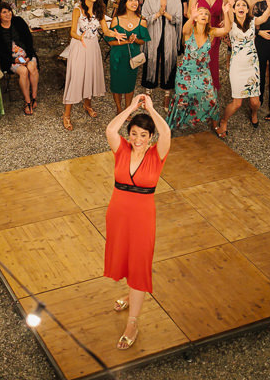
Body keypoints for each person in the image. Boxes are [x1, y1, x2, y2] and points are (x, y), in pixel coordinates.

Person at [103, 94, 170, 351]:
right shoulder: (121, 149)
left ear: (150, 138)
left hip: (142, 218)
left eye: (143, 135)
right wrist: (131, 107)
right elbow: (110, 129)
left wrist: (151, 109)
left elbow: (166, 133)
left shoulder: (157, 154)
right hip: (118, 215)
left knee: (140, 265)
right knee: (125, 259)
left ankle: (133, 323)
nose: (138, 139)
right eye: (134, 134)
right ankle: (131, 295)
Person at [62, 0, 127, 130]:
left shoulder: (99, 10)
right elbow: (72, 32)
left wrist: (114, 33)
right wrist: (80, 38)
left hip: (93, 47)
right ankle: (66, 115)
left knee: (89, 75)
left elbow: (105, 30)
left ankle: (87, 104)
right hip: (79, 46)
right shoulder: (77, 10)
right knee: (76, 78)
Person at [215, 0, 270, 136]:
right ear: (235, 10)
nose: (241, 7)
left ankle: (254, 113)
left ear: (247, 9)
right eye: (238, 5)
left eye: (244, 5)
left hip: (251, 65)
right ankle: (224, 121)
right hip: (237, 66)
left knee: (255, 102)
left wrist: (269, 8)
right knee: (237, 103)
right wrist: (228, 7)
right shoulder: (230, 22)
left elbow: (263, 19)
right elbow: (228, 18)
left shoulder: (253, 21)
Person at [166, 3, 231, 131]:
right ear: (196, 17)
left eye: (206, 14)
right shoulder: (190, 30)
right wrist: (191, 17)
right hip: (186, 71)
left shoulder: (211, 32)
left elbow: (226, 29)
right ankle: (173, 125)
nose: (204, 15)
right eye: (200, 13)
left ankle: (215, 125)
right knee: (181, 97)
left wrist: (226, 12)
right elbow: (184, 30)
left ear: (208, 19)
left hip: (202, 71)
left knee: (211, 97)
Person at [141, 0, 183, 109]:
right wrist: (158, 14)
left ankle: (167, 92)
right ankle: (148, 91)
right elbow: (144, 18)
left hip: (169, 33)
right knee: (151, 58)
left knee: (169, 60)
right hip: (153, 33)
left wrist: (166, 15)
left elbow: (179, 20)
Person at [0, 2, 39, 116]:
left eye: (9, 11)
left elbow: (29, 40)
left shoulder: (18, 21)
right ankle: (27, 102)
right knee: (23, 71)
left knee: (32, 67)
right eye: (4, 12)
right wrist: (14, 61)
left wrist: (28, 56)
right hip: (11, 58)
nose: (8, 14)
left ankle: (34, 98)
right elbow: (0, 50)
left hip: (26, 54)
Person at [188, 0, 231, 91]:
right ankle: (196, 90)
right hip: (199, 33)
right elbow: (190, 13)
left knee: (212, 62)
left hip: (215, 33)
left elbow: (226, 11)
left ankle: (211, 93)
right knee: (198, 62)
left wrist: (224, 19)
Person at [107, 0, 150, 112]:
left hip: (132, 58)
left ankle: (127, 110)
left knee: (130, 84)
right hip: (118, 57)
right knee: (116, 84)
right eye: (130, 0)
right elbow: (110, 42)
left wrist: (135, 39)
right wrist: (126, 41)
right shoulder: (116, 20)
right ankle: (119, 109)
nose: (134, 3)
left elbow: (143, 41)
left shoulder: (142, 20)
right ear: (124, 3)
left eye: (136, 0)